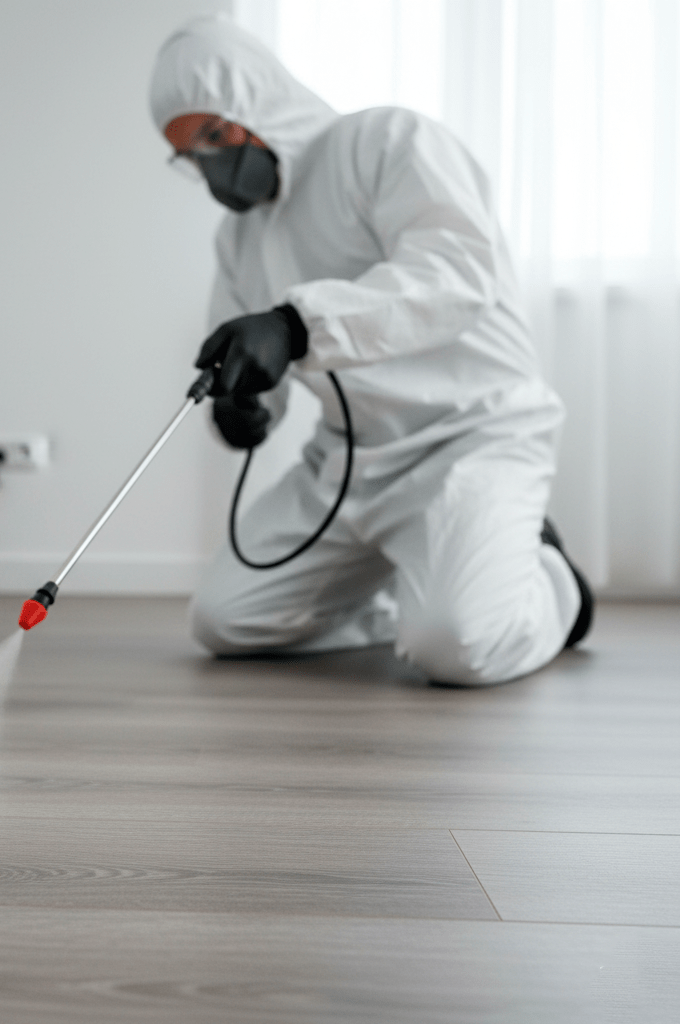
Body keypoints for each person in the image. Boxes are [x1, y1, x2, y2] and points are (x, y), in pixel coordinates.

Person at [149, 15, 593, 685]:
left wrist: (295, 326)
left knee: (459, 648)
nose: (208, 164)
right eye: (189, 153)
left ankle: (556, 583)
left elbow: (458, 274)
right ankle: (415, 589)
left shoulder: (384, 143)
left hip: (470, 435)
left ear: (258, 102)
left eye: (214, 135)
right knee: (225, 620)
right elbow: (257, 359)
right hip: (349, 462)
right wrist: (242, 408)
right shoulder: (239, 240)